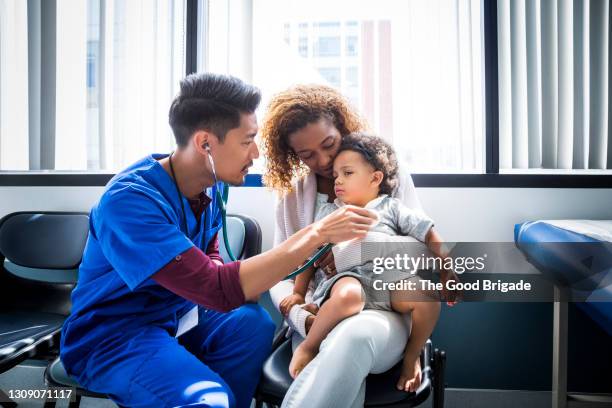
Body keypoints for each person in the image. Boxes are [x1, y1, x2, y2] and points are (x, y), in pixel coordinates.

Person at [60, 73, 377, 408]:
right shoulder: (129, 203)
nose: (256, 152)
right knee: (209, 400)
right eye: (247, 141)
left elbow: (210, 253)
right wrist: (317, 233)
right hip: (114, 335)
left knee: (251, 324)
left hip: (177, 316)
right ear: (205, 144)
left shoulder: (212, 182)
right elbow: (215, 290)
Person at [260, 84, 432, 407]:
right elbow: (281, 271)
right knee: (341, 358)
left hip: (383, 310)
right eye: (307, 155)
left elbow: (419, 254)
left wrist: (347, 252)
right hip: (320, 314)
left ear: (343, 127)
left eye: (329, 144)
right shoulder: (293, 196)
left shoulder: (385, 173)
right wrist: (302, 318)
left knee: (352, 338)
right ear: (292, 156)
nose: (323, 160)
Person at [283, 133, 456, 392]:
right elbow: (311, 255)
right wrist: (298, 292)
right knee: (350, 296)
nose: (338, 180)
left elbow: (428, 232)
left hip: (389, 283)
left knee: (428, 297)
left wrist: (447, 268)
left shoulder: (392, 208)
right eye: (336, 174)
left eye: (347, 173)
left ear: (375, 178)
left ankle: (411, 358)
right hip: (347, 280)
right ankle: (310, 346)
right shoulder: (331, 212)